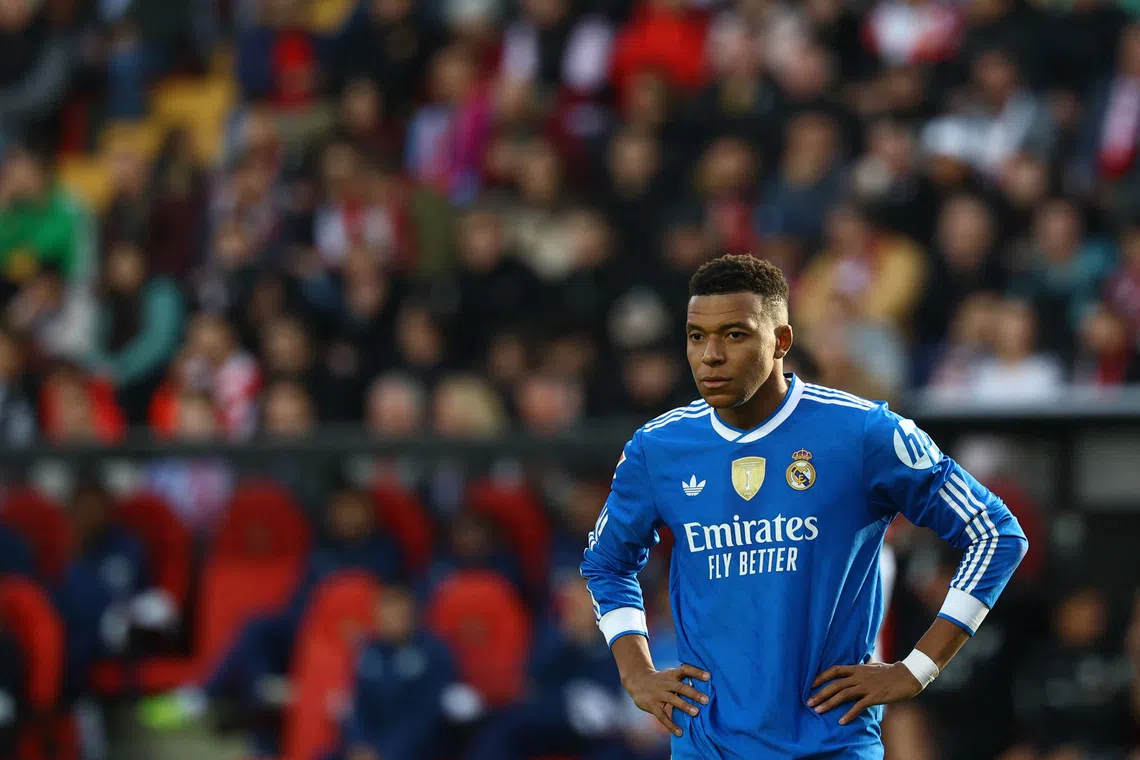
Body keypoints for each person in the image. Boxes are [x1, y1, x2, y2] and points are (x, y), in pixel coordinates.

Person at [580, 253, 1029, 759]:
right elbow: (606, 563)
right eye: (695, 335)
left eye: (734, 334)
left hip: (830, 745)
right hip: (709, 748)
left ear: (781, 341)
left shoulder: (862, 433)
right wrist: (636, 671)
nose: (710, 355)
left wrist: (917, 667)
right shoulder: (658, 448)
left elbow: (995, 533)